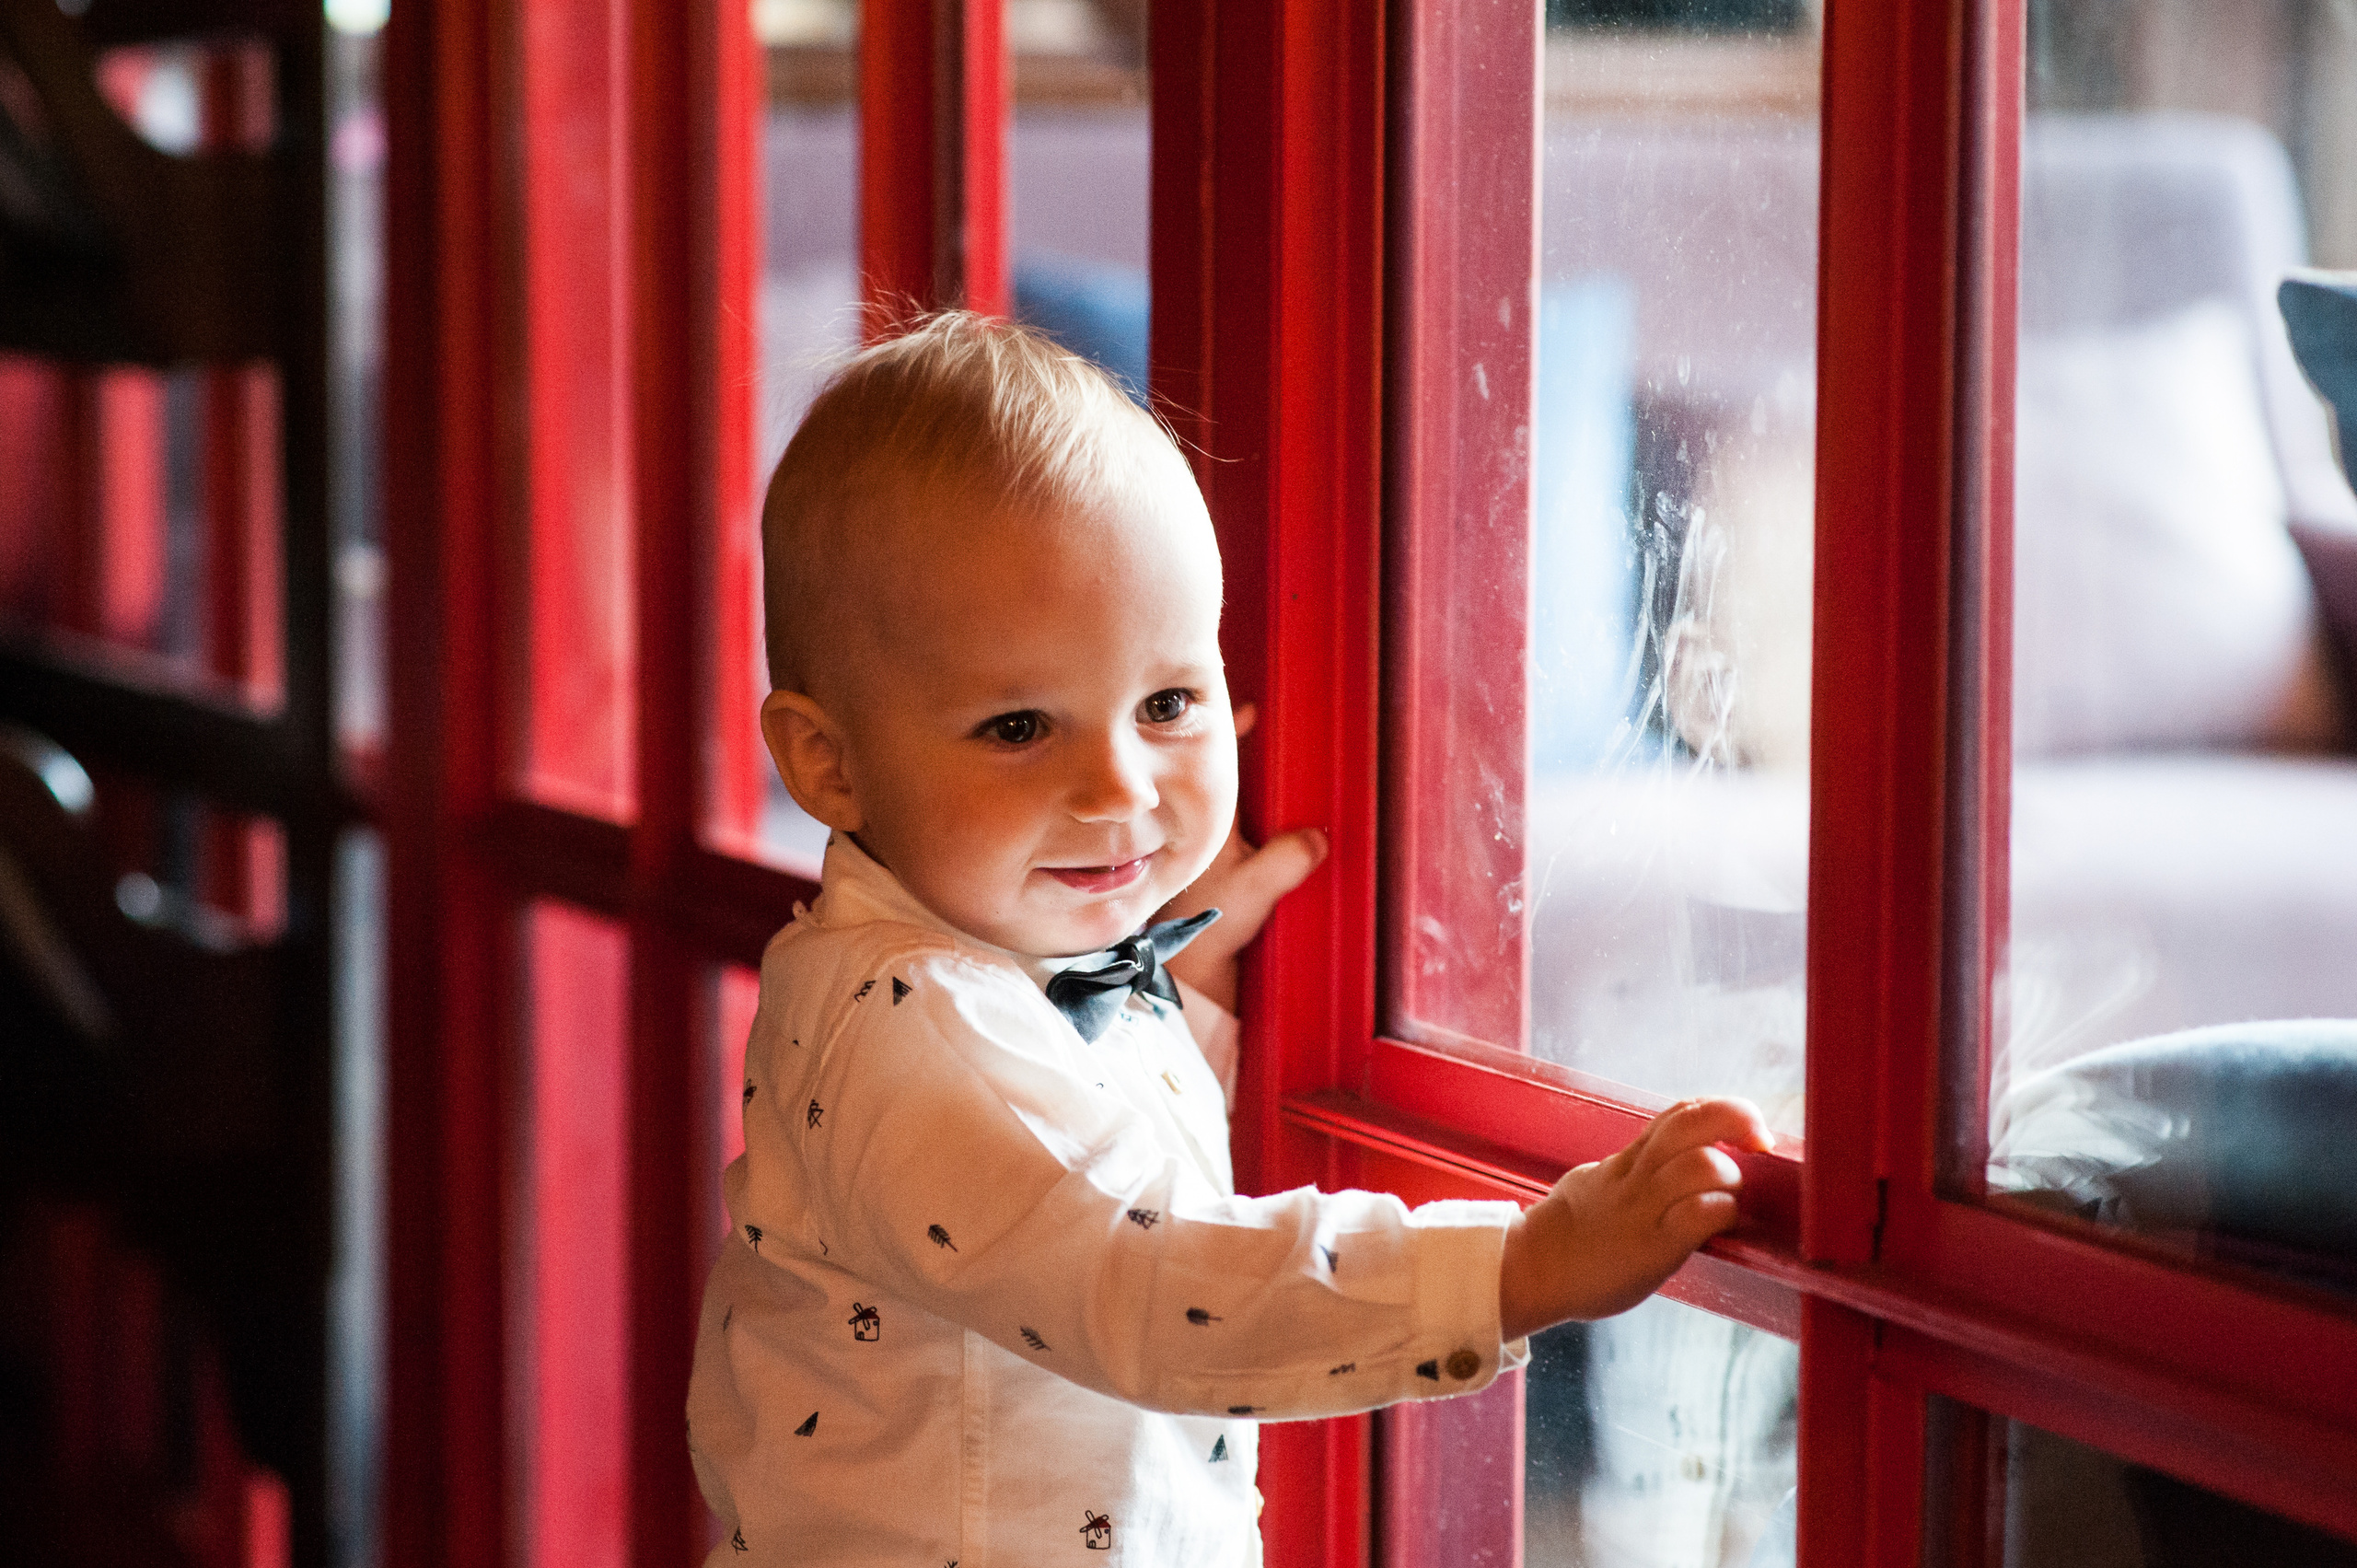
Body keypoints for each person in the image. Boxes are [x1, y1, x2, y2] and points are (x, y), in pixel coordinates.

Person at [686, 312, 1772, 1566]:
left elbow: (1077, 1151)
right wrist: (1520, 1265)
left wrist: (1184, 991)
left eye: (1167, 704)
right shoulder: (912, 1024)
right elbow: (1153, 1285)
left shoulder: (1002, 961)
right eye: (1018, 728)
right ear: (829, 764)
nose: (1123, 788)